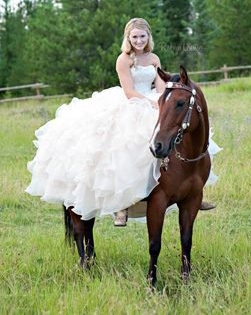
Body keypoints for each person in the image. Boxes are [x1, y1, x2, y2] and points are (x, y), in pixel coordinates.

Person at [26, 18, 217, 227]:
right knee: (126, 148)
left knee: (177, 133)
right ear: (128, 38)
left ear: (148, 37)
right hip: (132, 104)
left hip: (154, 101)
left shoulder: (154, 58)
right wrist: (152, 104)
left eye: (142, 36)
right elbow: (129, 92)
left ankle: (190, 190)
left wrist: (162, 103)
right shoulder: (124, 60)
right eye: (135, 37)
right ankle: (121, 204)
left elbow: (161, 88)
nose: (139, 40)